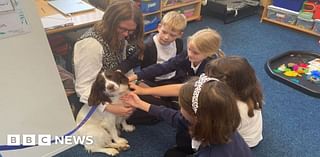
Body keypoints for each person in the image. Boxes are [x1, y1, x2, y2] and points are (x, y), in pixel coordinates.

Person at [122, 74, 253, 157]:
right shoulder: (216, 120)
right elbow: (172, 116)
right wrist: (140, 104)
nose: (179, 108)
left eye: (181, 106)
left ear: (194, 115)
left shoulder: (214, 153)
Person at [73, 0, 144, 116]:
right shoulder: (91, 45)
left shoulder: (120, 37)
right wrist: (108, 107)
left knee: (153, 104)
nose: (126, 34)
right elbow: (83, 88)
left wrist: (135, 85)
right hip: (98, 98)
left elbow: (124, 67)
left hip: (117, 91)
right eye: (123, 29)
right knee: (149, 113)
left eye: (130, 31)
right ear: (110, 23)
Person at [128, 28, 225, 85]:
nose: (190, 54)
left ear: (209, 54)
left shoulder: (212, 69)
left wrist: (148, 91)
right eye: (189, 49)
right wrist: (137, 75)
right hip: (185, 84)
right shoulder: (187, 55)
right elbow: (166, 66)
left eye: (195, 53)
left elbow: (189, 89)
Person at [205, 56, 263, 147]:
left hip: (245, 143)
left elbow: (220, 132)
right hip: (251, 133)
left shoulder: (232, 108)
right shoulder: (252, 90)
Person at [139, 11, 187, 86]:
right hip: (155, 81)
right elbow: (145, 70)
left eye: (172, 35)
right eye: (164, 32)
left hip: (174, 77)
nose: (166, 37)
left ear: (179, 35)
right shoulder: (148, 46)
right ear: (159, 27)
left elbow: (178, 62)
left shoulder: (179, 43)